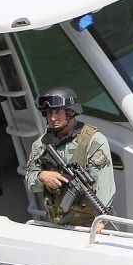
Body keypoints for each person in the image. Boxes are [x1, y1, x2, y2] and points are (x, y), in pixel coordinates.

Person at [25, 87, 115, 227]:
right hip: (58, 223)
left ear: (71, 112)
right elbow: (30, 181)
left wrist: (101, 221)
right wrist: (42, 176)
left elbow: (104, 185)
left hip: (91, 223)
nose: (52, 118)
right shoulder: (41, 144)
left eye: (57, 112)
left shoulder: (93, 140)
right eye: (49, 113)